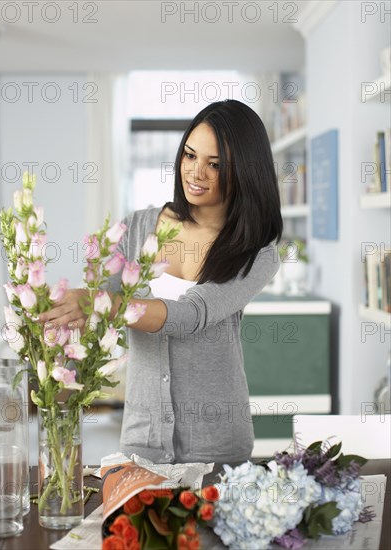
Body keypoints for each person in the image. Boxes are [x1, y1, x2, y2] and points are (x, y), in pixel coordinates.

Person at [39, 99, 283, 464]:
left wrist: (95, 302)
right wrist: (57, 369)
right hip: (143, 440)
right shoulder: (138, 227)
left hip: (218, 445)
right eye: (189, 155)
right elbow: (96, 319)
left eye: (214, 164)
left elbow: (190, 316)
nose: (196, 172)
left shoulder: (256, 252)